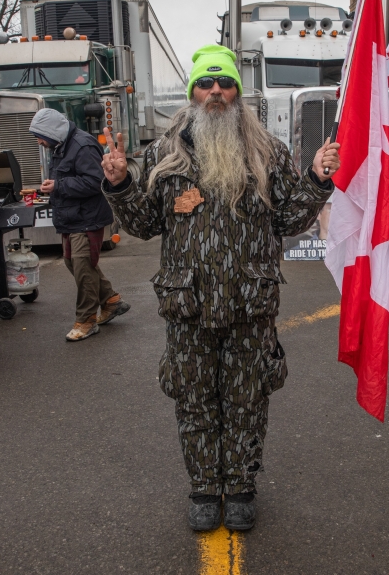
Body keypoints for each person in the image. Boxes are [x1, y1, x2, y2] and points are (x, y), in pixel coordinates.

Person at [101, 45, 341, 531]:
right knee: (194, 402)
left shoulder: (268, 151)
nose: (215, 92)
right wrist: (122, 184)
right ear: (192, 91)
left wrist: (317, 178)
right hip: (187, 304)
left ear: (237, 92)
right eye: (206, 84)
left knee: (247, 400)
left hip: (250, 305)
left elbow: (293, 217)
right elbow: (145, 225)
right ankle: (205, 489)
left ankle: (242, 489)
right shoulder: (163, 154)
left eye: (224, 83)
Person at [29, 108, 129, 341]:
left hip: (86, 218)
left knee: (83, 267)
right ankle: (111, 301)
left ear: (52, 131)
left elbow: (96, 182)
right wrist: (54, 186)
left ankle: (86, 321)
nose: (39, 141)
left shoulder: (82, 145)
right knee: (74, 262)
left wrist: (57, 186)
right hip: (73, 217)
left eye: (40, 135)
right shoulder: (61, 145)